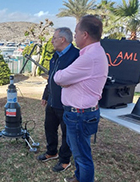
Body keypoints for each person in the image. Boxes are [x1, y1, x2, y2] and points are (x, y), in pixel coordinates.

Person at [54, 15, 108, 182]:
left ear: (85, 34)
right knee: (79, 151)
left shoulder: (88, 57)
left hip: (79, 115)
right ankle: (78, 177)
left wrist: (62, 77)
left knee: (82, 157)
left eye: (76, 32)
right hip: (81, 113)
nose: (74, 36)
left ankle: (83, 178)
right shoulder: (94, 53)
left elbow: (59, 78)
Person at [37, 27, 79, 172]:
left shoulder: (76, 56)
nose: (52, 40)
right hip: (52, 101)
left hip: (67, 103)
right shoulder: (55, 55)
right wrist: (45, 95)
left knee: (66, 132)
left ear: (63, 39)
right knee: (49, 127)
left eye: (54, 38)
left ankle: (65, 160)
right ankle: (51, 152)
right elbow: (51, 78)